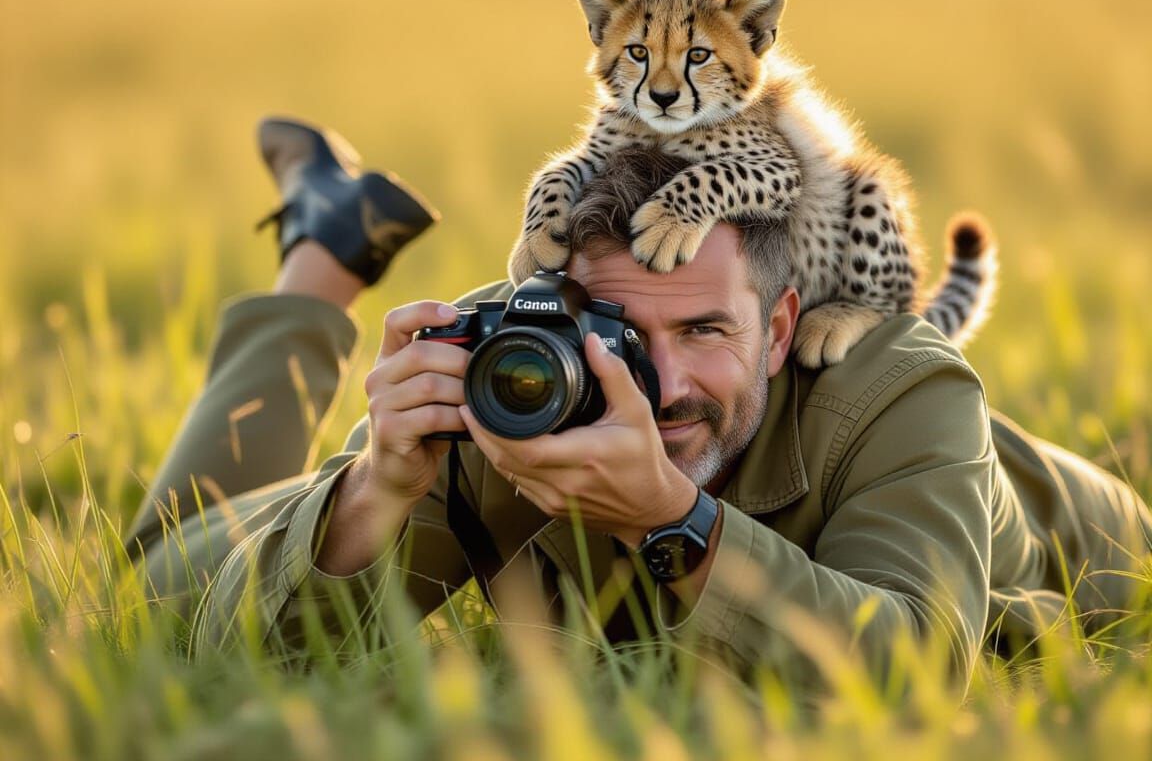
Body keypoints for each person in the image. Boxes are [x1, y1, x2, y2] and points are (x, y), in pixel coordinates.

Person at [128, 116, 1152, 692]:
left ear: (785, 322)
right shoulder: (520, 372)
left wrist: (672, 521)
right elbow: (215, 649)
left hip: (1064, 526)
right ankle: (323, 253)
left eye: (705, 331)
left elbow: (915, 665)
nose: (657, 386)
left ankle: (320, 245)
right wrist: (379, 487)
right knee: (149, 580)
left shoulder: (901, 384)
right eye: (618, 330)